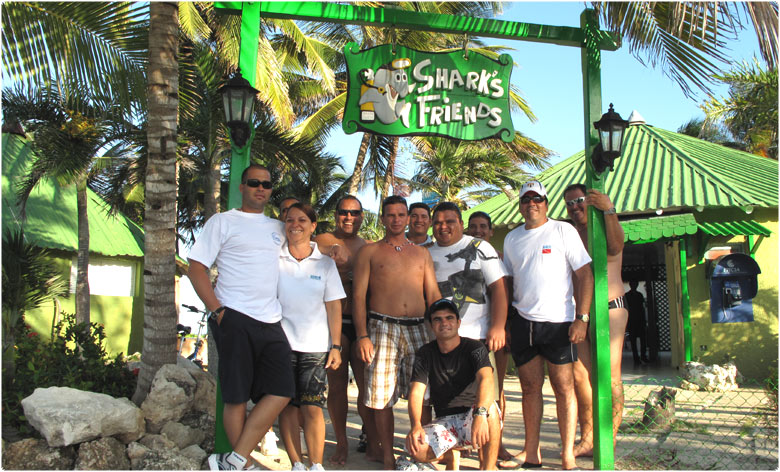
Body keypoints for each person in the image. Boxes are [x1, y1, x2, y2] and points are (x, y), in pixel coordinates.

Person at [189, 164, 294, 471]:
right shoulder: (223, 222)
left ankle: (235, 459)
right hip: (233, 317)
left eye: (266, 184)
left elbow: (306, 240)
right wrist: (217, 310)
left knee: (282, 390)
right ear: (242, 186)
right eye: (254, 183)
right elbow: (197, 267)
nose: (261, 188)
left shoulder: (278, 227)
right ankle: (244, 465)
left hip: (271, 320)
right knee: (235, 398)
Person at [502, 180, 593, 470]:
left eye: (537, 199)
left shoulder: (563, 230)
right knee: (530, 388)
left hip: (559, 323)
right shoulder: (512, 239)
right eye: (526, 200)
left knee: (564, 388)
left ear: (546, 202)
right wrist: (505, 322)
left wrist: (582, 318)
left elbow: (585, 275)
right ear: (520, 206)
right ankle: (531, 453)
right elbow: (508, 283)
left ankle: (567, 454)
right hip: (523, 323)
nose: (532, 204)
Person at [353, 195, 442, 469]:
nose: (396, 220)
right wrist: (362, 335)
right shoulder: (370, 251)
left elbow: (433, 295)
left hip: (418, 327)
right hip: (381, 327)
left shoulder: (422, 253)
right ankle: (388, 455)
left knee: (423, 394)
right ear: (382, 218)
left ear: (407, 218)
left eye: (401, 215)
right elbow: (358, 297)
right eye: (390, 215)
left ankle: (421, 453)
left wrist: (442, 330)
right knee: (382, 396)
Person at [277, 203, 345, 471]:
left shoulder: (326, 263)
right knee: (287, 407)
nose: (295, 224)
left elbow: (334, 306)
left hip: (316, 347)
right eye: (290, 219)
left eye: (302, 220)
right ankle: (296, 463)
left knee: (313, 406)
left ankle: (316, 464)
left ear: (313, 226)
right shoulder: (274, 258)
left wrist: (336, 346)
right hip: (280, 345)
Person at [563, 183, 628, 458]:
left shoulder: (604, 226)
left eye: (580, 201)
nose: (575, 207)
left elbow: (615, 247)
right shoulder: (570, 234)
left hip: (610, 307)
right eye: (570, 203)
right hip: (580, 315)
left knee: (610, 375)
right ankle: (588, 437)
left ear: (590, 200)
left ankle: (609, 438)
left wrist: (608, 209)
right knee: (580, 376)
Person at [406, 298, 501, 470]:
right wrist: (416, 425)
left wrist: (479, 414)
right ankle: (451, 454)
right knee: (415, 449)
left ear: (458, 322)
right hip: (445, 420)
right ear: (431, 325)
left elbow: (486, 378)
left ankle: (488, 467)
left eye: (449, 318)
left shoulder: (475, 348)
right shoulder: (425, 353)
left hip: (472, 416)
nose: (444, 323)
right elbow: (416, 392)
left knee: (491, 409)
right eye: (438, 319)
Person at [313, 196, 372, 465]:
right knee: (336, 387)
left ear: (362, 216)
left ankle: (370, 438)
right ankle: (341, 442)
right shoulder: (323, 239)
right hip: (332, 324)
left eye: (355, 213)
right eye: (344, 212)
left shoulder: (368, 246)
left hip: (359, 323)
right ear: (336, 215)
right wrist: (335, 248)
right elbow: (319, 246)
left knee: (364, 386)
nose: (349, 217)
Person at [465, 210, 513, 462]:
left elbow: (504, 294)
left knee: (496, 390)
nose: (478, 231)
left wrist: (501, 327)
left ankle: (498, 444)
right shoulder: (462, 258)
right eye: (473, 226)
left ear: (491, 231)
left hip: (494, 333)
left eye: (483, 226)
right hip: (470, 335)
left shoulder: (499, 258)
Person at [625, 280, 649, 365]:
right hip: (631, 320)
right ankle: (636, 357)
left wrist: (644, 320)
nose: (634, 286)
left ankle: (643, 356)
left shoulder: (640, 295)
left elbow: (642, 308)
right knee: (633, 340)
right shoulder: (627, 296)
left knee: (643, 339)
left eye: (635, 284)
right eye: (633, 284)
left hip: (640, 320)